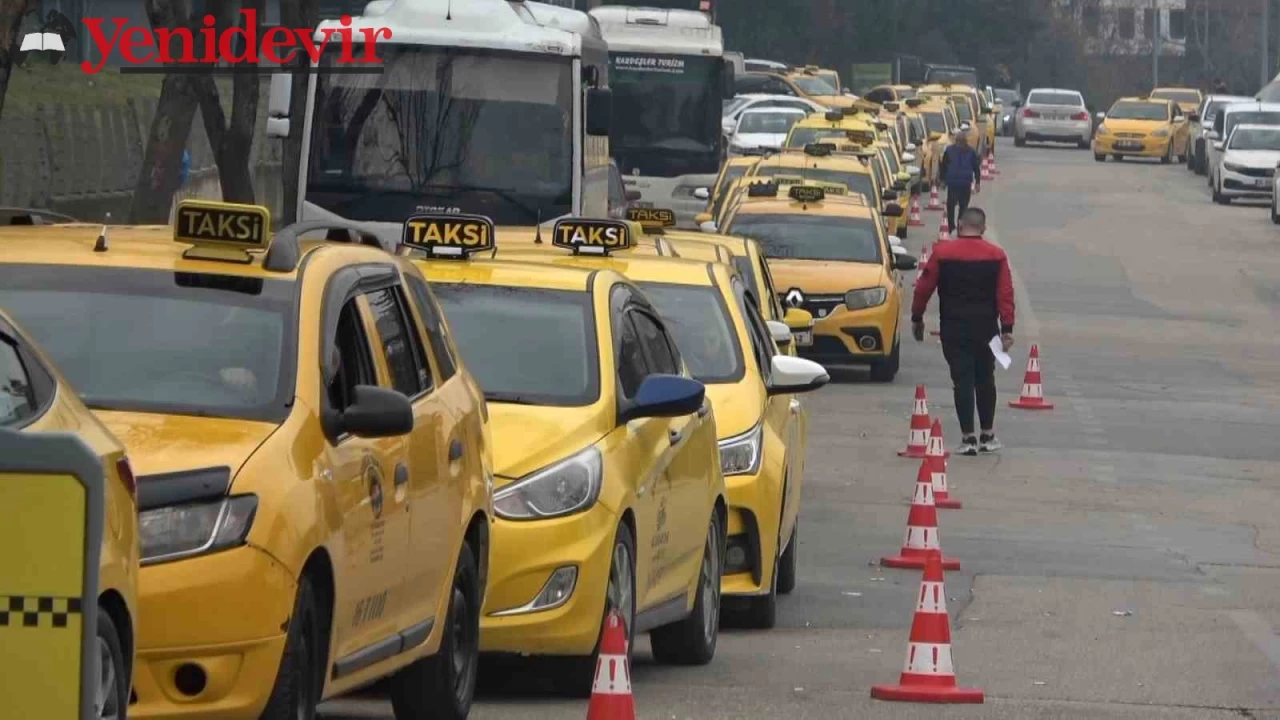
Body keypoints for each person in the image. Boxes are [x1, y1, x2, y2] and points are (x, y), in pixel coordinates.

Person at [910, 207, 1014, 455]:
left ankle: (968, 439)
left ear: (959, 224)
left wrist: (917, 317)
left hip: (953, 328)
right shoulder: (996, 256)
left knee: (962, 380)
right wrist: (1007, 328)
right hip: (987, 329)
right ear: (983, 228)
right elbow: (1005, 294)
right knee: (985, 379)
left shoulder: (942, 254)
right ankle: (987, 435)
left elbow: (923, 287)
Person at [938, 127, 981, 234]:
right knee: (951, 205)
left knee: (963, 207)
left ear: (965, 142)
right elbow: (943, 166)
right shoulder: (949, 151)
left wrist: (978, 182)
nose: (959, 144)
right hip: (953, 183)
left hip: (965, 184)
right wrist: (942, 180)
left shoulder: (971, 152)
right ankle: (951, 225)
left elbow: (976, 168)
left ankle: (959, 226)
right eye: (958, 142)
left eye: (961, 142)